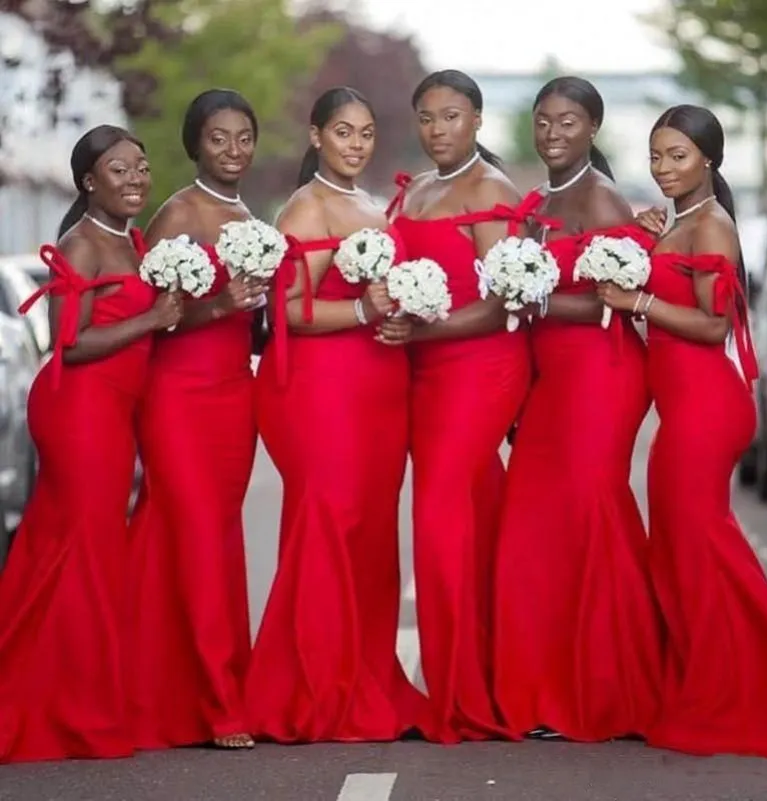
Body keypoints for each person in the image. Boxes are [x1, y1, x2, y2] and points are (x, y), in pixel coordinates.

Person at [602, 104, 767, 760]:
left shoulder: (710, 224)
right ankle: (705, 680)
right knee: (682, 550)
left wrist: (636, 300)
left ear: (708, 161)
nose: (663, 167)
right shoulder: (682, 220)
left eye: (677, 156)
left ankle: (756, 684)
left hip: (705, 410)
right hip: (682, 408)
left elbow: (711, 327)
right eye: (656, 155)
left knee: (700, 546)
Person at [245, 87, 425, 743]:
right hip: (321, 390)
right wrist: (362, 312)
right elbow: (288, 312)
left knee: (370, 534)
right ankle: (314, 687)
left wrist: (401, 315)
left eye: (367, 132)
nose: (357, 144)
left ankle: (365, 675)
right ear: (317, 136)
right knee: (327, 524)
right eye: (344, 132)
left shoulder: (372, 206)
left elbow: (382, 296)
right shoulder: (306, 206)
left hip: (378, 385)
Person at [0, 125, 181, 763]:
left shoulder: (131, 240)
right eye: (118, 170)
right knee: (86, 549)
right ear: (88, 182)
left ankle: (72, 691)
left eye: (140, 166)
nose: (134, 179)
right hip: (79, 409)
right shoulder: (81, 245)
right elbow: (69, 345)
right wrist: (152, 318)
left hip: (115, 410)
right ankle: (72, 708)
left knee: (74, 549)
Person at [492, 77, 662, 743]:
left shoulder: (601, 197)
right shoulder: (538, 200)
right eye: (542, 121)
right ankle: (540, 685)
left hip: (600, 372)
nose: (552, 132)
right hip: (546, 378)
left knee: (589, 512)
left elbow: (611, 299)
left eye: (567, 121)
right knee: (533, 526)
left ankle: (605, 692)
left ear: (591, 128)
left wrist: (528, 298)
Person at [383, 69, 531, 743]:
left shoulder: (492, 191)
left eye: (450, 116)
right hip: (418, 372)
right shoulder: (414, 189)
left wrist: (424, 329)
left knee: (439, 515)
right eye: (426, 118)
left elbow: (503, 303)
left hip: (479, 369)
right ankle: (501, 671)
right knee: (476, 516)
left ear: (476, 121)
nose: (437, 129)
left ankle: (460, 693)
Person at [128, 90, 266, 751]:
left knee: (209, 537)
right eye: (219, 138)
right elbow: (149, 315)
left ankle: (154, 688)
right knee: (193, 533)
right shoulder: (177, 212)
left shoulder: (245, 214)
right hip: (178, 395)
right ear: (194, 144)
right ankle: (217, 703)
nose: (233, 150)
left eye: (244, 137)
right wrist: (218, 307)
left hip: (234, 393)